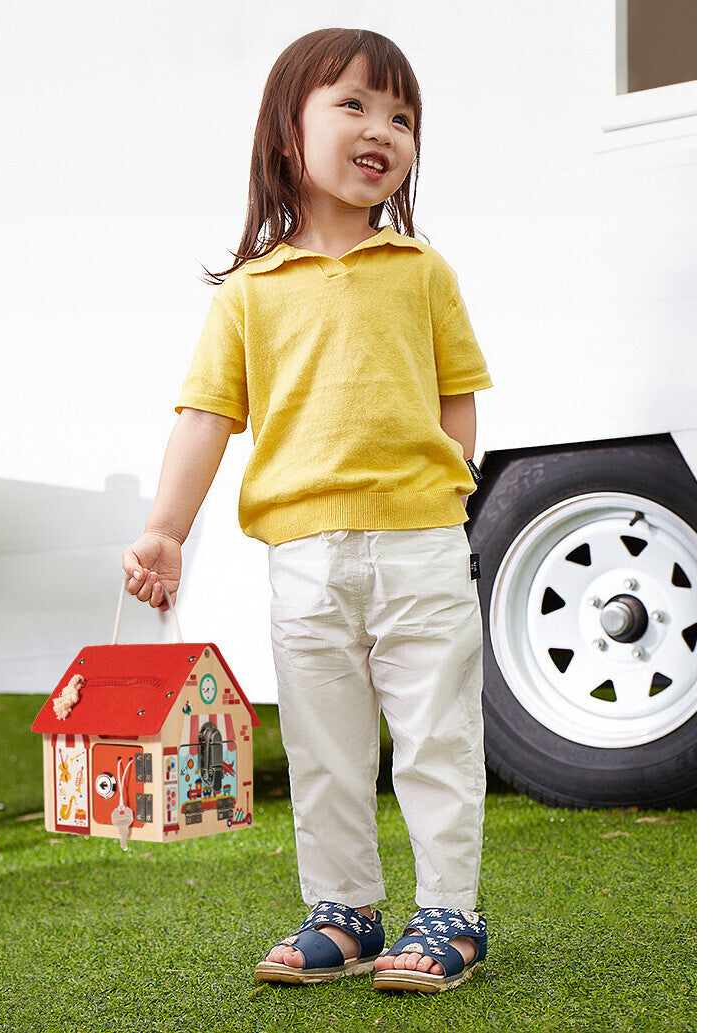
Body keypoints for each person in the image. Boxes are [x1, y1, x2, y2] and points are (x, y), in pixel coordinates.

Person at [122, 27, 492, 994]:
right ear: (288, 133)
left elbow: (458, 395)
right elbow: (207, 418)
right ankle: (345, 909)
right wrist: (165, 527)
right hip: (303, 558)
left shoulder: (423, 271)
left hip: (420, 546)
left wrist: (451, 475)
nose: (384, 130)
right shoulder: (251, 292)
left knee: (438, 737)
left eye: (402, 117)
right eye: (355, 105)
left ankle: (450, 913)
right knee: (326, 749)